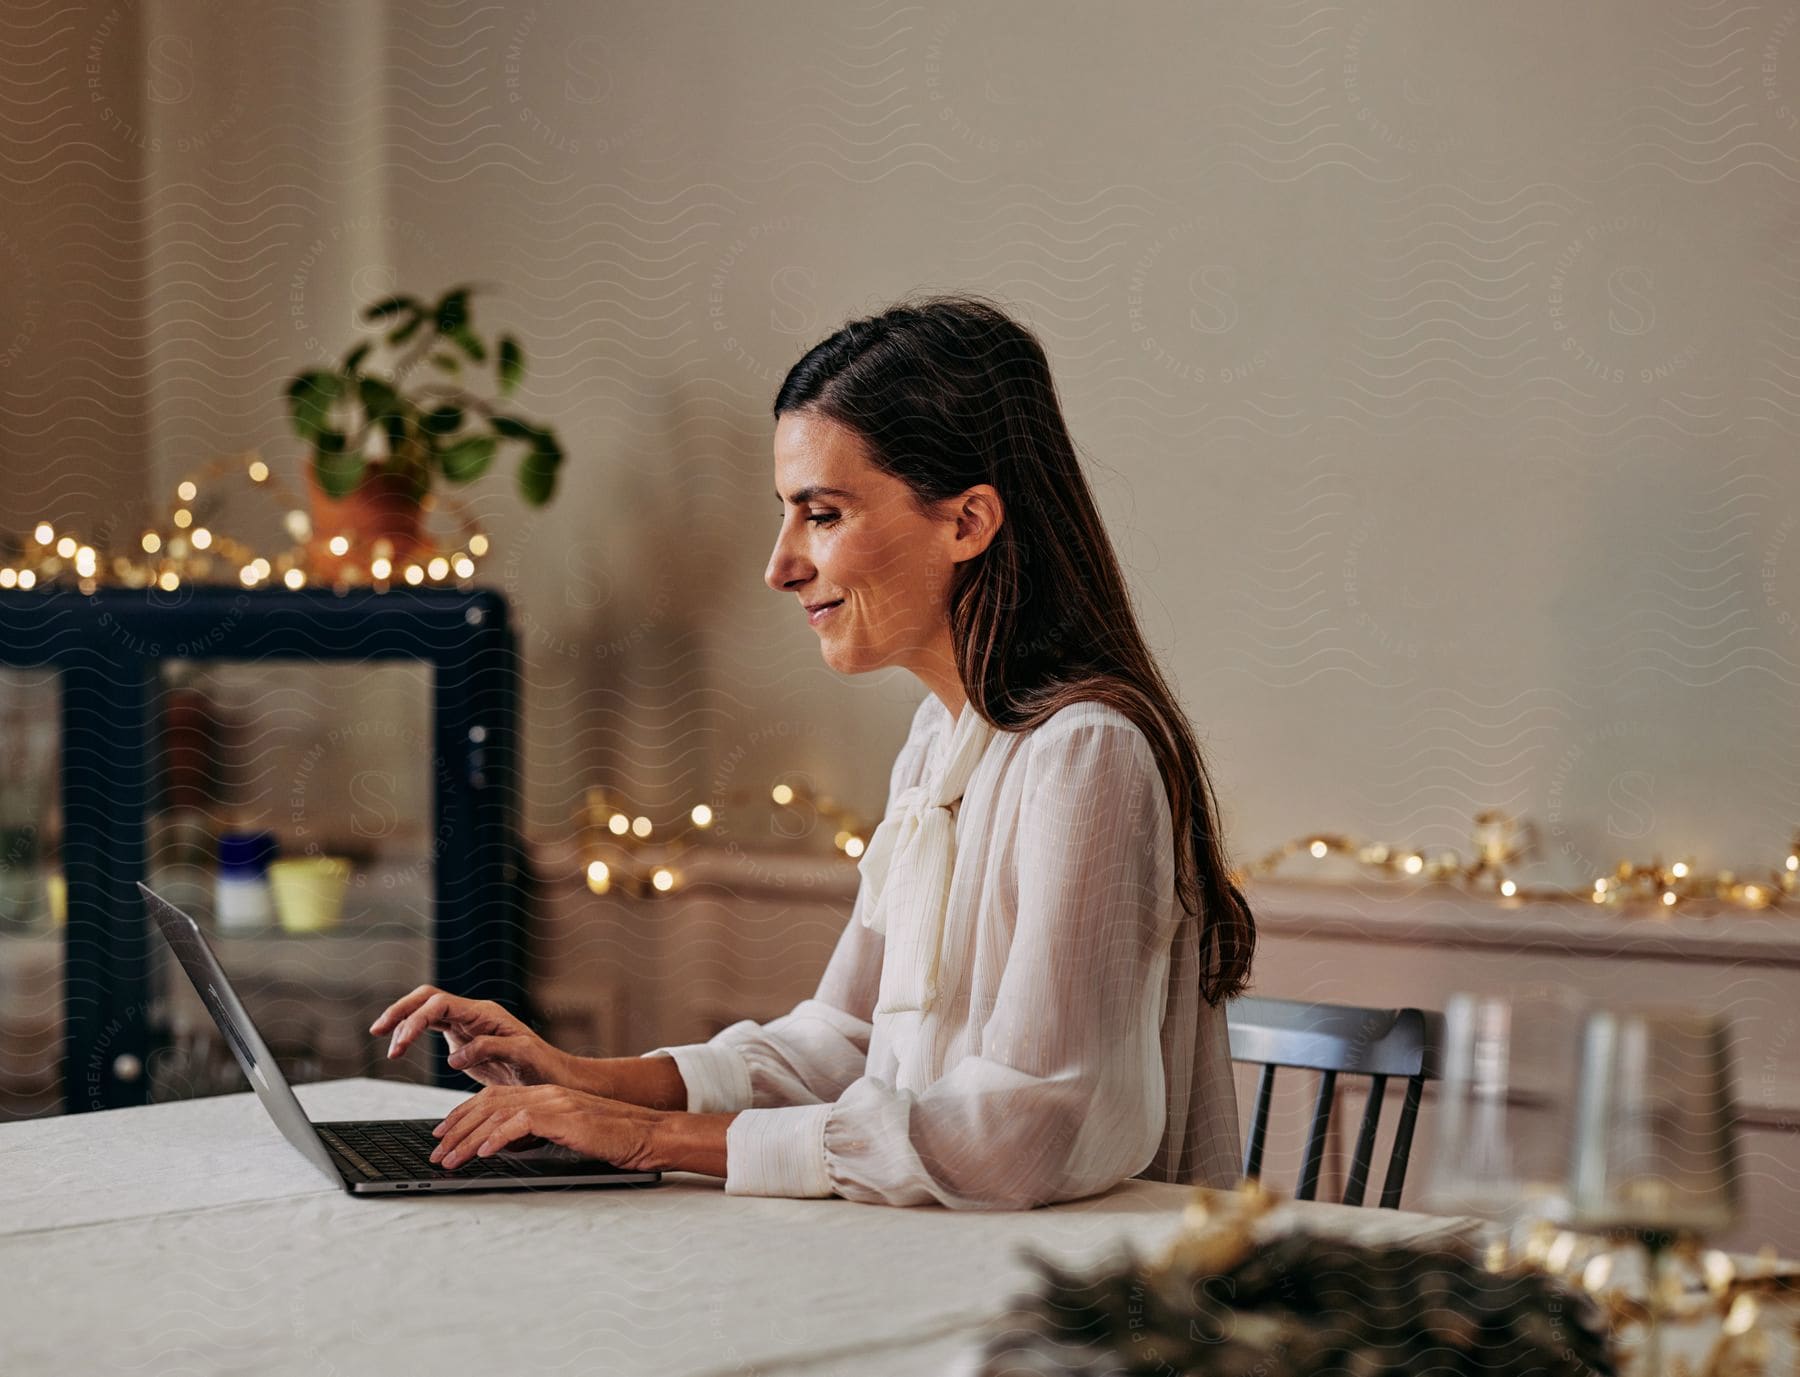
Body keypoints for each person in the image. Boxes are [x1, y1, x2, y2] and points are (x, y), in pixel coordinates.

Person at [371, 293, 1255, 1208]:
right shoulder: (938, 743)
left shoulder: (1087, 757)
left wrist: (647, 1138)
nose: (780, 563)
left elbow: (1031, 1126)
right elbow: (846, 1042)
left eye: (822, 514)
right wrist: (582, 1076)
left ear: (968, 521)